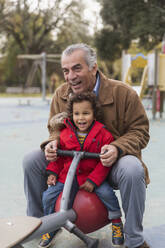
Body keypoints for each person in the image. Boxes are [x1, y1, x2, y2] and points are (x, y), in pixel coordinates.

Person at [23, 43, 150, 248]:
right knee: (31, 160)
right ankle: (40, 225)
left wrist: (117, 148)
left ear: (93, 67)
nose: (70, 76)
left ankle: (134, 240)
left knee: (132, 169)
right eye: (66, 70)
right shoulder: (61, 94)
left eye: (77, 68)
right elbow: (54, 127)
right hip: (71, 161)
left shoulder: (124, 94)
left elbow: (141, 131)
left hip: (109, 162)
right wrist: (52, 142)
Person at [38, 92, 124, 248]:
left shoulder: (104, 135)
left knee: (107, 194)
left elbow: (104, 163)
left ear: (94, 114)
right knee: (48, 196)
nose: (81, 118)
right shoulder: (65, 134)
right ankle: (52, 226)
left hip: (90, 176)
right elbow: (60, 158)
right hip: (67, 177)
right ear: (72, 115)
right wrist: (52, 173)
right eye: (77, 114)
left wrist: (93, 180)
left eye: (86, 113)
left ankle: (116, 222)